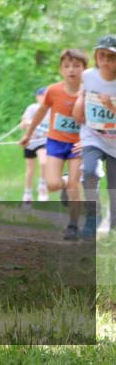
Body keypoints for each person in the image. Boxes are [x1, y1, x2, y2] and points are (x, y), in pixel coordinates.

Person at [20, 48, 88, 240]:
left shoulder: (90, 93)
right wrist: (28, 135)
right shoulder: (54, 91)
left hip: (78, 144)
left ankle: (73, 226)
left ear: (84, 69)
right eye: (67, 66)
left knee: (75, 186)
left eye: (76, 66)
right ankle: (64, 181)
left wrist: (87, 141)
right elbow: (40, 113)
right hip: (56, 142)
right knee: (52, 184)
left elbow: (94, 122)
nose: (71, 70)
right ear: (61, 69)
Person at [74, 35, 116, 240]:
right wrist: (79, 103)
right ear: (96, 57)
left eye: (111, 57)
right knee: (89, 171)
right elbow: (82, 97)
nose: (105, 61)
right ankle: (93, 216)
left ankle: (113, 226)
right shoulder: (88, 76)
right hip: (93, 136)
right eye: (102, 56)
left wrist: (111, 106)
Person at [20, 87, 51, 204]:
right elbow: (23, 124)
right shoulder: (32, 108)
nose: (43, 98)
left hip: (43, 141)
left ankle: (42, 186)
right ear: (37, 97)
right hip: (30, 141)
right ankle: (27, 193)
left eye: (46, 95)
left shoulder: (51, 109)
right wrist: (26, 123)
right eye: (41, 95)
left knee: (44, 162)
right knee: (30, 170)